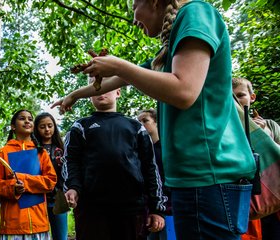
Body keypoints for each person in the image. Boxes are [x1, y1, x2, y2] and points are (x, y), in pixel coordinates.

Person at [52, 0, 257, 238]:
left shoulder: (196, 12)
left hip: (209, 175)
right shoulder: (167, 53)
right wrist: (74, 95)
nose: (133, 18)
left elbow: (184, 91)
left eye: (133, 7)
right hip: (191, 178)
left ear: (154, 2)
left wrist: (119, 65)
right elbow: (114, 81)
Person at [62, 77, 166, 240]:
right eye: (93, 84)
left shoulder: (136, 127)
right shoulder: (80, 127)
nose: (99, 87)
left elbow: (150, 168)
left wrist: (156, 209)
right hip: (91, 209)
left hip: (131, 208)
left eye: (106, 83)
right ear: (89, 94)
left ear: (118, 91)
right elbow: (70, 161)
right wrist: (73, 187)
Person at [0, 109, 57, 239]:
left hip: (39, 222)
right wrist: (12, 187)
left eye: (30, 119)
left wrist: (23, 180)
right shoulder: (3, 152)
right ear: (13, 126)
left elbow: (50, 181)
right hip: (13, 224)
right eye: (22, 118)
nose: (27, 121)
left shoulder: (40, 152)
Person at [233, 77, 280, 240]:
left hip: (274, 195)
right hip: (248, 199)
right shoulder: (228, 128)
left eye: (240, 95)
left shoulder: (270, 125)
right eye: (232, 97)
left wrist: (265, 135)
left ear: (252, 97)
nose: (237, 101)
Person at [138, 109, 176, 240]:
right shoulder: (142, 152)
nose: (141, 124)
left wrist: (163, 210)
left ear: (156, 123)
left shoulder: (168, 149)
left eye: (145, 120)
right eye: (139, 121)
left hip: (170, 209)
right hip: (149, 210)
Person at [34, 112, 68, 240]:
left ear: (54, 126)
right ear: (36, 128)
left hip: (58, 197)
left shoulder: (62, 149)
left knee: (61, 236)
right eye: (42, 126)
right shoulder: (33, 150)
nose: (47, 129)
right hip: (37, 198)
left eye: (50, 125)